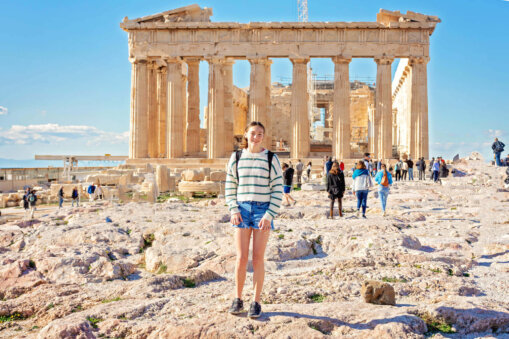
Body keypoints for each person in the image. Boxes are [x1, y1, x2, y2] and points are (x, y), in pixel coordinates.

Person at [226, 121, 283, 319]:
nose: (256, 137)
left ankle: (256, 301)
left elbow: (277, 188)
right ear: (246, 135)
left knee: (258, 258)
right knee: (241, 258)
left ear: (263, 137)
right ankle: (238, 298)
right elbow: (230, 185)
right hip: (241, 210)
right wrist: (233, 209)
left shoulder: (271, 158)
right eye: (253, 133)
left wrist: (269, 215)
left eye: (260, 134)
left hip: (262, 211)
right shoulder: (237, 157)